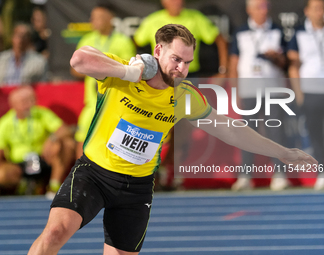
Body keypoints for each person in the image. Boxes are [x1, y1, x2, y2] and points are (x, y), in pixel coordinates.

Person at [27, 23, 316, 255]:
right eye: (176, 59)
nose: (181, 69)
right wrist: (130, 72)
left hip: (136, 188)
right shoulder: (124, 72)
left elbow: (230, 129)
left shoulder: (183, 95)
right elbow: (79, 60)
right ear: (158, 51)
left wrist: (282, 152)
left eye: (187, 62)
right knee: (55, 232)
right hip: (94, 173)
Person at [229, 0, 289, 191]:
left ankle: (279, 174)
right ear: (249, 10)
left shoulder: (278, 30)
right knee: (248, 133)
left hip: (273, 90)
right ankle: (246, 176)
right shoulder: (240, 32)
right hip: (248, 89)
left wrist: (276, 57)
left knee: (275, 132)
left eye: (265, 7)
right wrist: (235, 90)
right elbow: (233, 63)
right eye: (258, 7)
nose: (262, 11)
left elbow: (286, 63)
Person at [0, 86, 75, 200]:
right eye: (23, 102)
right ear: (13, 104)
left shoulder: (41, 113)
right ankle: (25, 184)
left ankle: (54, 186)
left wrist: (52, 138)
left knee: (67, 144)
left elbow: (65, 130)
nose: (28, 105)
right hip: (20, 165)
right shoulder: (4, 123)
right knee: (1, 174)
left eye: (30, 101)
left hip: (43, 159)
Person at [71, 4, 136, 158]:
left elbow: (129, 69)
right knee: (83, 139)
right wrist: (97, 67)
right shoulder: (87, 40)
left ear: (110, 19)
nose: (93, 21)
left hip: (116, 102)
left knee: (116, 143)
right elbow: (74, 68)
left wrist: (99, 67)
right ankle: (79, 177)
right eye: (92, 18)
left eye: (98, 18)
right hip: (92, 102)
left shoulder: (123, 41)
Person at [133, 0, 228, 77]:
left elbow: (220, 40)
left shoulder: (195, 18)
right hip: (159, 74)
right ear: (163, 2)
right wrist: (136, 68)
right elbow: (136, 42)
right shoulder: (152, 20)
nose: (175, 2)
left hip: (188, 75)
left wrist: (223, 71)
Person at [287, 0, 324, 190]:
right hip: (311, 91)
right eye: (317, 9)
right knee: (316, 134)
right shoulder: (299, 33)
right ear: (307, 11)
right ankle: (322, 173)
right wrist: (299, 94)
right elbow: (294, 66)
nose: (321, 12)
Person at [0, 22, 47, 87]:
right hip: (3, 95)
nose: (21, 39)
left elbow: (42, 85)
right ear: (12, 37)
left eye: (24, 36)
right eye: (18, 35)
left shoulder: (39, 62)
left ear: (29, 40)